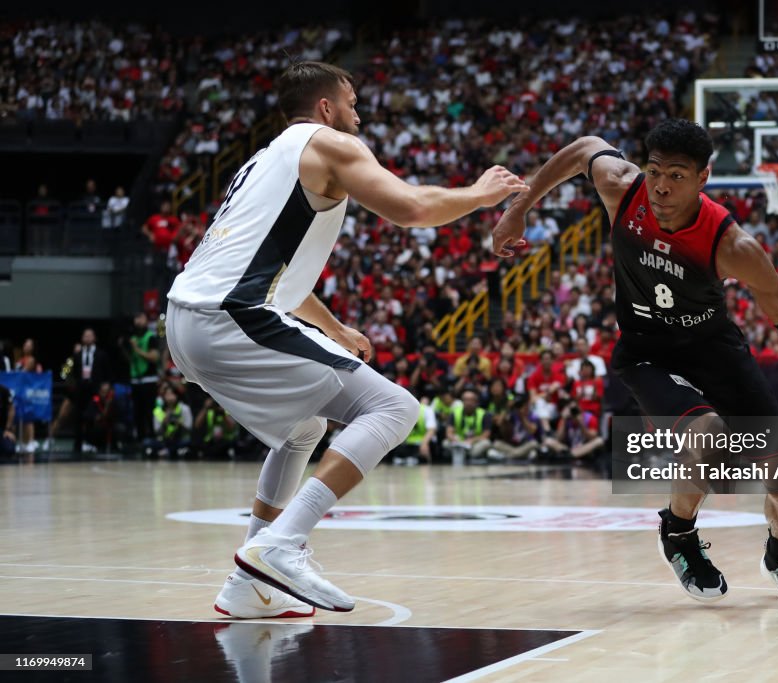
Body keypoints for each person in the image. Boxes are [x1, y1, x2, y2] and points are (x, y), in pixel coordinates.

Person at [165, 60, 526, 619]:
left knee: (302, 429)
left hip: (187, 319)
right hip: (230, 316)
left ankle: (249, 586)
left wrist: (331, 327)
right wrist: (479, 195)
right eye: (352, 102)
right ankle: (280, 543)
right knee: (394, 407)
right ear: (327, 108)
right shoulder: (331, 143)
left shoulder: (264, 160)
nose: (359, 112)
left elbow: (272, 268)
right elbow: (410, 208)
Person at [492, 120, 778, 603]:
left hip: (715, 351)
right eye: (654, 170)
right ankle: (678, 532)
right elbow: (582, 149)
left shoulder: (733, 246)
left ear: (704, 177)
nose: (660, 185)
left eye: (676, 175)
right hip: (646, 353)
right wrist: (519, 206)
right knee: (708, 434)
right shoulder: (622, 190)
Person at [121, 313, 160, 443]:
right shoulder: (132, 338)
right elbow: (131, 360)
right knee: (137, 412)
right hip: (135, 380)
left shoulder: (151, 337)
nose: (138, 321)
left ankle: (152, 437)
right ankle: (140, 439)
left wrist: (136, 349)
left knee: (148, 411)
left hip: (148, 380)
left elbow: (154, 357)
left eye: (141, 318)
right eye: (136, 318)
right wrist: (124, 348)